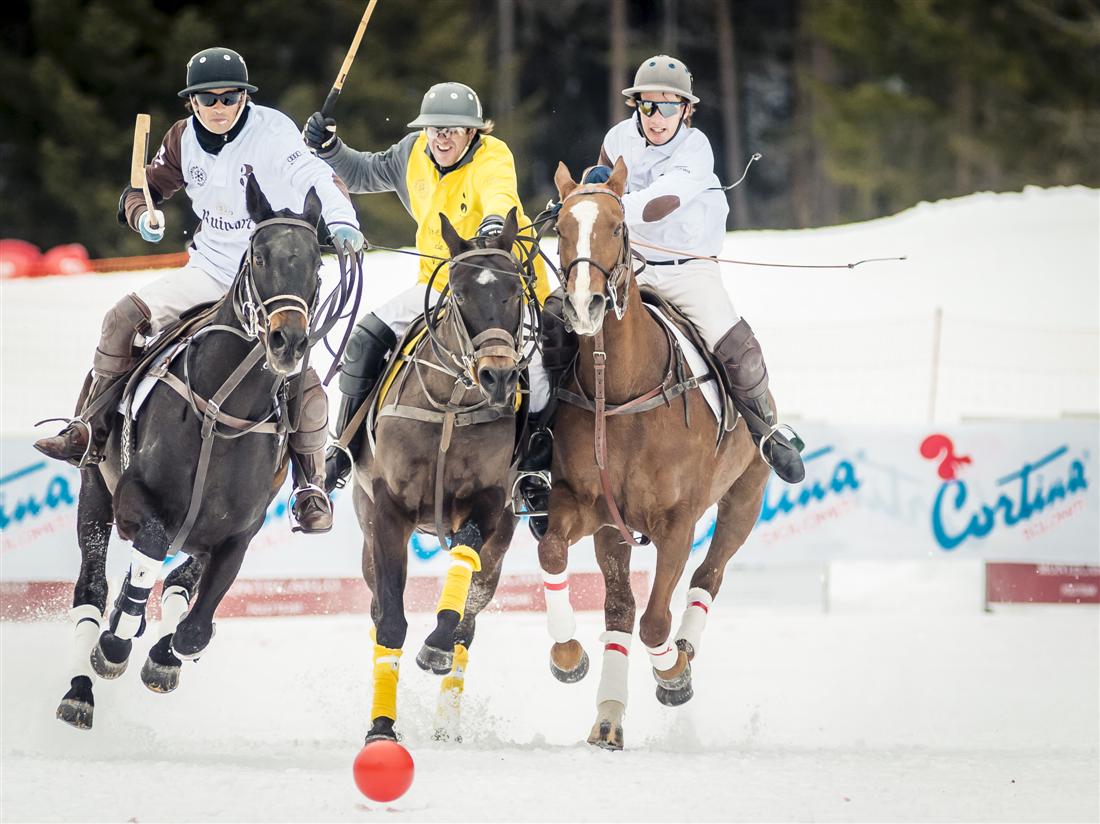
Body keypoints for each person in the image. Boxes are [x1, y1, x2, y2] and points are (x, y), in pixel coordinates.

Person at [33, 46, 365, 533]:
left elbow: (315, 174)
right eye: (207, 99)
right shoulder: (182, 138)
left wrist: (342, 222)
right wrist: (139, 211)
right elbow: (143, 188)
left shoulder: (273, 132)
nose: (219, 107)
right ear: (192, 102)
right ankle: (90, 429)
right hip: (210, 269)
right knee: (121, 320)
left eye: (230, 97)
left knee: (297, 367)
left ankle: (309, 483)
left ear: (243, 98)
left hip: (269, 280)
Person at [535, 54, 805, 486]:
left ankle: (767, 432)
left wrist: (609, 206)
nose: (657, 117)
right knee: (555, 323)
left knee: (735, 345)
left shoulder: (695, 148)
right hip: (630, 267)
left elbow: (666, 202)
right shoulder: (618, 137)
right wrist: (584, 199)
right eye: (647, 106)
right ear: (635, 107)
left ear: (686, 109)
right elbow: (599, 176)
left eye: (668, 106)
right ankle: (540, 440)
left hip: (687, 270)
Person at [302, 82, 552, 499]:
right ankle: (344, 448)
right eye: (435, 128)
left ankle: (535, 468)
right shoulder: (411, 152)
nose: (441, 137)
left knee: (541, 367)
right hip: (441, 285)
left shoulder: (493, 155)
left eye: (453, 130)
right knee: (366, 337)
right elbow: (364, 172)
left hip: (503, 291)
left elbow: (499, 192)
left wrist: (493, 222)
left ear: (473, 133)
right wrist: (329, 147)